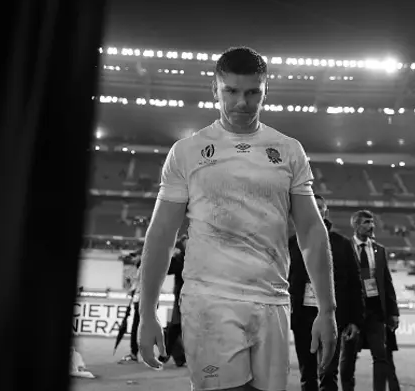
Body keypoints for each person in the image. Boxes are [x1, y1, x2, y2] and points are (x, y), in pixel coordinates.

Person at [137, 46, 338, 391]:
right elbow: (161, 235)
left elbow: (310, 230)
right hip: (210, 299)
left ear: (264, 91)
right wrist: (147, 312)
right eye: (231, 91)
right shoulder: (187, 152)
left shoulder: (288, 150)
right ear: (214, 89)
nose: (242, 102)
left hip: (273, 299)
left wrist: (328, 309)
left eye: (252, 92)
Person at [289, 194, 365, 391]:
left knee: (329, 372)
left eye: (320, 207)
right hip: (302, 315)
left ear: (326, 212)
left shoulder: (342, 244)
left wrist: (354, 320)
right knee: (307, 374)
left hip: (332, 316)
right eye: (312, 206)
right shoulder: (291, 243)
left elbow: (355, 284)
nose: (316, 210)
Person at [341, 210, 399, 391]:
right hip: (352, 313)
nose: (371, 226)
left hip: (375, 312)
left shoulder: (379, 250)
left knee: (381, 356)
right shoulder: (345, 248)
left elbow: (387, 283)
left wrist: (393, 312)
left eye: (372, 222)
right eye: (366, 222)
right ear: (356, 225)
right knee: (348, 357)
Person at [160, 234, 188, 367]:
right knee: (175, 327)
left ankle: (171, 356)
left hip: (197, 297)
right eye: (184, 242)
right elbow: (169, 269)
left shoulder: (200, 257)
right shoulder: (180, 257)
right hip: (182, 297)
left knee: (177, 328)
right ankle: (167, 355)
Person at [119, 254, 142, 364]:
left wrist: (131, 289)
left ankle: (134, 353)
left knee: (136, 327)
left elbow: (136, 286)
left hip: (141, 302)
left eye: (135, 257)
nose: (133, 259)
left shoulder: (142, 269)